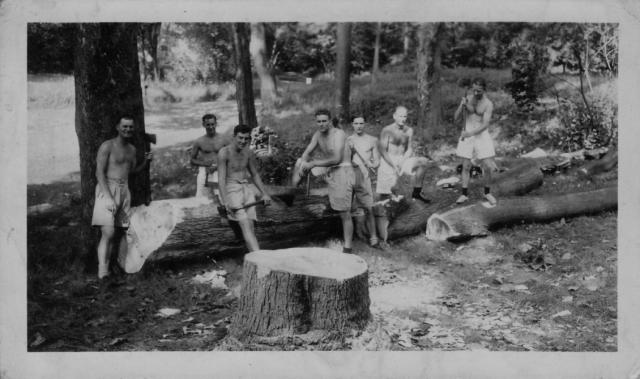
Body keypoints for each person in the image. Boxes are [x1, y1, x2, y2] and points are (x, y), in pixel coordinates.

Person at [296, 109, 378, 253]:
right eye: (319, 121)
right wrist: (304, 162)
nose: (321, 124)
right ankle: (293, 196)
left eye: (324, 121)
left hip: (347, 170)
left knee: (357, 209)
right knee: (298, 163)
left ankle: (361, 242)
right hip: (336, 171)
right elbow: (307, 152)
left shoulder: (338, 134)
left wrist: (313, 163)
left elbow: (336, 159)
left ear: (330, 121)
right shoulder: (317, 135)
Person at [92, 115, 152, 279]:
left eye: (130, 127)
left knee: (121, 231)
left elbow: (130, 171)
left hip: (125, 190)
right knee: (108, 232)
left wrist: (145, 162)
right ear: (118, 127)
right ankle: (103, 272)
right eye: (124, 126)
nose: (128, 130)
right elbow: (99, 172)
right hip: (107, 189)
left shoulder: (132, 149)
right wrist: (108, 197)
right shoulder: (107, 146)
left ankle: (117, 267)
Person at [375, 106, 430, 243]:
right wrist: (393, 165)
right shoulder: (387, 130)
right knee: (387, 195)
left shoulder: (409, 130)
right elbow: (382, 151)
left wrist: (404, 159)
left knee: (423, 162)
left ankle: (417, 192)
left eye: (405, 116)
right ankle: (381, 227)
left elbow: (409, 148)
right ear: (394, 116)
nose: (402, 119)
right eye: (400, 116)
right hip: (388, 161)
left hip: (402, 159)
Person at [218, 124, 272, 252]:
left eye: (246, 139)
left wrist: (264, 193)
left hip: (245, 188)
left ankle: (253, 257)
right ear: (234, 136)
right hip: (231, 190)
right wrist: (225, 202)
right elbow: (221, 179)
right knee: (245, 225)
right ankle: (260, 260)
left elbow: (254, 174)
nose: (243, 141)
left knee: (251, 225)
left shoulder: (247, 152)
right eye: (240, 138)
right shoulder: (224, 152)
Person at [453, 77, 498, 206]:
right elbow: (455, 118)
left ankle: (487, 193)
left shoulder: (488, 104)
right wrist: (462, 105)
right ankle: (464, 194)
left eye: (479, 91)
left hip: (480, 135)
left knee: (488, 166)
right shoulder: (467, 98)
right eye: (474, 90)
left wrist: (470, 134)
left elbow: (485, 125)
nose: (476, 93)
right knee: (466, 166)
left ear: (484, 89)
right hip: (467, 133)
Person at [347, 115, 380, 246]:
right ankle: (356, 234)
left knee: (369, 207)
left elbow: (376, 160)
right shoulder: (348, 140)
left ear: (364, 124)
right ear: (352, 125)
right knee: (350, 208)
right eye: (356, 123)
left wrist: (373, 164)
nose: (359, 126)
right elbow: (344, 160)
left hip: (364, 176)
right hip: (350, 175)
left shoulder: (372, 140)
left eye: (361, 123)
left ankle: (373, 237)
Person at [190, 114, 228, 199]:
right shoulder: (199, 141)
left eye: (212, 124)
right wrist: (205, 163)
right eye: (208, 125)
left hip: (220, 169)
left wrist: (218, 166)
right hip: (205, 170)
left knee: (222, 197)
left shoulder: (224, 139)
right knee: (201, 198)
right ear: (203, 125)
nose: (211, 127)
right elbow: (192, 160)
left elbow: (231, 157)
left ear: (216, 124)